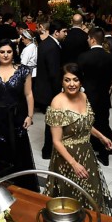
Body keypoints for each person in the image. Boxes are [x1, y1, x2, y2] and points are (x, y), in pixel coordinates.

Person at [43, 63, 112, 216]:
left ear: (81, 81)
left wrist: (102, 137)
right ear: (62, 82)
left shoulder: (83, 96)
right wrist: (74, 164)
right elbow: (56, 141)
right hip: (66, 158)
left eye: (75, 80)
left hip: (86, 153)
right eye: (67, 80)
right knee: (70, 199)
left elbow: (85, 124)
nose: (72, 84)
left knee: (92, 194)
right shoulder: (57, 103)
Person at [0, 39, 39, 192]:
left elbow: (29, 94)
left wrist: (30, 116)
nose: (5, 55)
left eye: (9, 52)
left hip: (16, 119)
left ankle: (20, 189)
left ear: (14, 53)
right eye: (2, 52)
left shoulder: (24, 70)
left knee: (18, 152)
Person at [77, 27, 112, 166]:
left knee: (85, 124)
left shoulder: (83, 56)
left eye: (88, 39)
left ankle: (84, 153)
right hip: (103, 97)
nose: (87, 41)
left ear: (92, 39)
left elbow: (78, 77)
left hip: (87, 96)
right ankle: (104, 154)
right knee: (103, 124)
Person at [34, 19, 68, 158]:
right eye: (64, 31)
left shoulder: (45, 43)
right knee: (52, 121)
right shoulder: (53, 47)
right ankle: (47, 150)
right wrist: (59, 93)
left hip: (43, 87)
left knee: (50, 120)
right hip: (49, 90)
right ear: (56, 32)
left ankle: (49, 148)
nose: (66, 34)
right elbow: (53, 73)